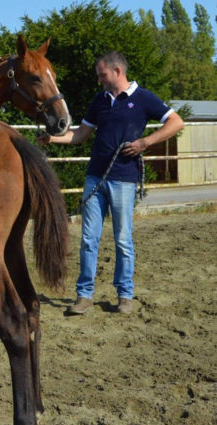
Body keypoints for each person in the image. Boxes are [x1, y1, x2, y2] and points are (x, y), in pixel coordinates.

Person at [38, 51, 184, 315]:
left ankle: (125, 295)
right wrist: (53, 139)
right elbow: (81, 135)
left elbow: (176, 122)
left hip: (124, 180)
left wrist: (146, 142)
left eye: (102, 75)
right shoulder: (100, 100)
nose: (99, 80)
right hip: (95, 178)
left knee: (123, 240)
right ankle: (84, 295)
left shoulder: (143, 98)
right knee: (87, 239)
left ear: (117, 71)